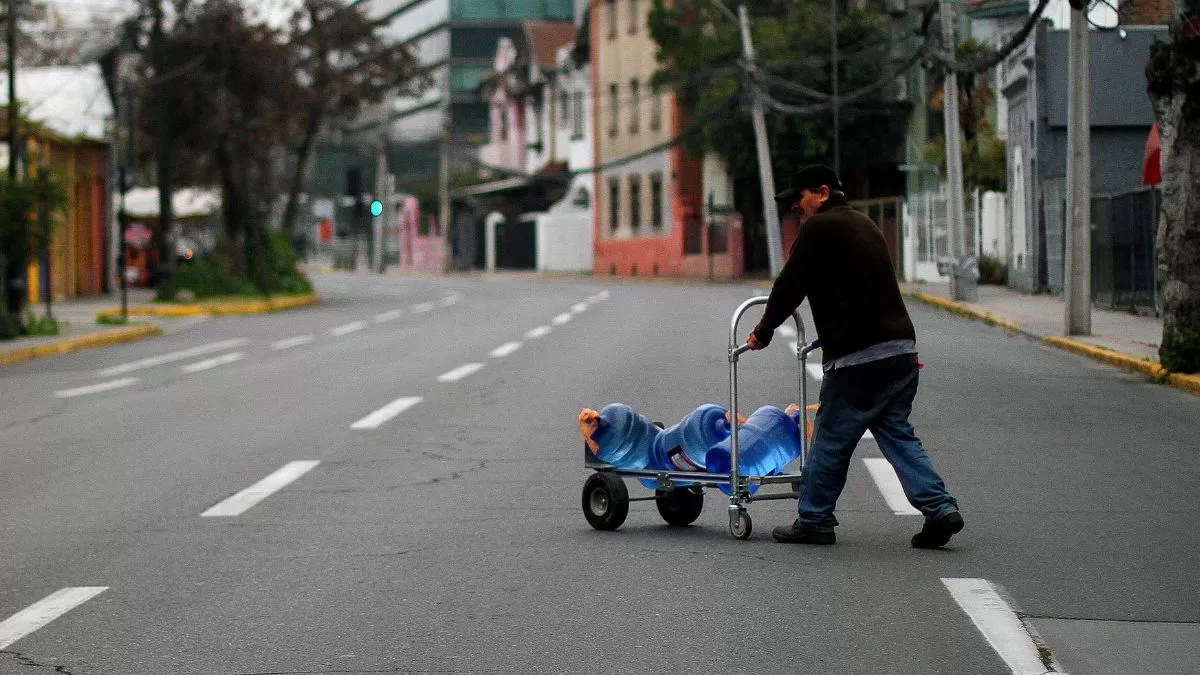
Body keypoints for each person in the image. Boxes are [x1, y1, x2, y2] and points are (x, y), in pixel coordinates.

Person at [745, 165, 964, 549]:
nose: (796, 206)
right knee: (897, 436)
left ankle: (814, 519)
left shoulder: (818, 229)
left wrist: (763, 332)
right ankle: (941, 507)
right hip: (901, 352)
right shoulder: (865, 224)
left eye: (801, 197)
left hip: (858, 361)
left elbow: (789, 286)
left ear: (824, 192)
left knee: (830, 437)